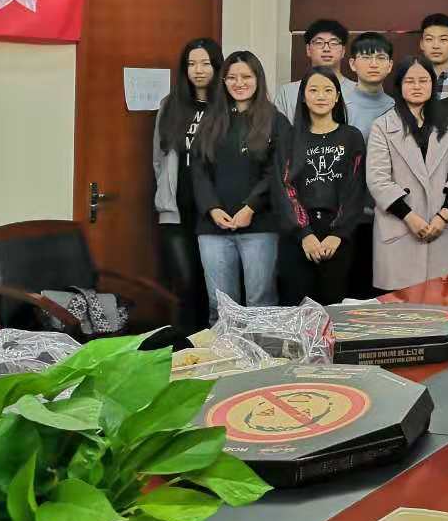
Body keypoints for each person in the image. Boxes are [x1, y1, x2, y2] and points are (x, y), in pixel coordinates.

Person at [191, 50, 289, 318]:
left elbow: (278, 171)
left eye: (246, 76)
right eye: (232, 77)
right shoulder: (211, 120)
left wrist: (251, 207)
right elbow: (198, 170)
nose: (239, 83)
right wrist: (212, 208)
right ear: (223, 81)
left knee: (261, 304)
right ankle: (224, 348)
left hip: (260, 226)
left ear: (258, 79)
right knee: (220, 306)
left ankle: (260, 349)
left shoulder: (275, 120)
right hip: (213, 227)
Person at [366, 56, 448, 291]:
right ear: (399, 85)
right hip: (399, 227)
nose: (417, 86)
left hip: (440, 229)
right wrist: (410, 217)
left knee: (439, 303)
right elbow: (378, 180)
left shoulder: (447, 126)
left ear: (433, 84)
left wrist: (443, 216)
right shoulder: (382, 126)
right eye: (410, 81)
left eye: (424, 80)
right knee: (400, 308)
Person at [277, 68, 366, 305]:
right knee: (297, 309)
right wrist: (304, 234)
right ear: (303, 97)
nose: (321, 96)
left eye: (328, 90)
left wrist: (338, 234)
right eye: (313, 90)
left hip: (338, 236)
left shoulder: (351, 137)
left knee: (335, 309)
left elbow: (355, 189)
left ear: (337, 97)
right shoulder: (289, 138)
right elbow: (284, 187)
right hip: (297, 236)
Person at [153, 37, 223, 330]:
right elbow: (159, 158)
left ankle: (215, 345)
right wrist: (165, 193)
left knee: (215, 287)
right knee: (185, 284)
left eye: (205, 63)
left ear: (216, 66)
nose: (198, 70)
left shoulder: (226, 106)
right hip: (177, 211)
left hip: (215, 211)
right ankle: (186, 346)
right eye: (192, 64)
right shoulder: (170, 105)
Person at [343, 31, 395, 297]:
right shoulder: (339, 105)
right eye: (366, 57)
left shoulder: (398, 107)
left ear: (390, 65)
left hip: (388, 215)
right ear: (352, 64)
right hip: (347, 216)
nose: (373, 64)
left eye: (380, 58)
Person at [274, 19, 356, 121]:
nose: (326, 49)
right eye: (319, 42)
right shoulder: (287, 93)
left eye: (334, 43)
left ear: (343, 51)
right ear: (308, 49)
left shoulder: (357, 91)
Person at [419, 13, 448, 99]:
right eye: (429, 39)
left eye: (443, 39)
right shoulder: (411, 77)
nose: (436, 46)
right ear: (422, 44)